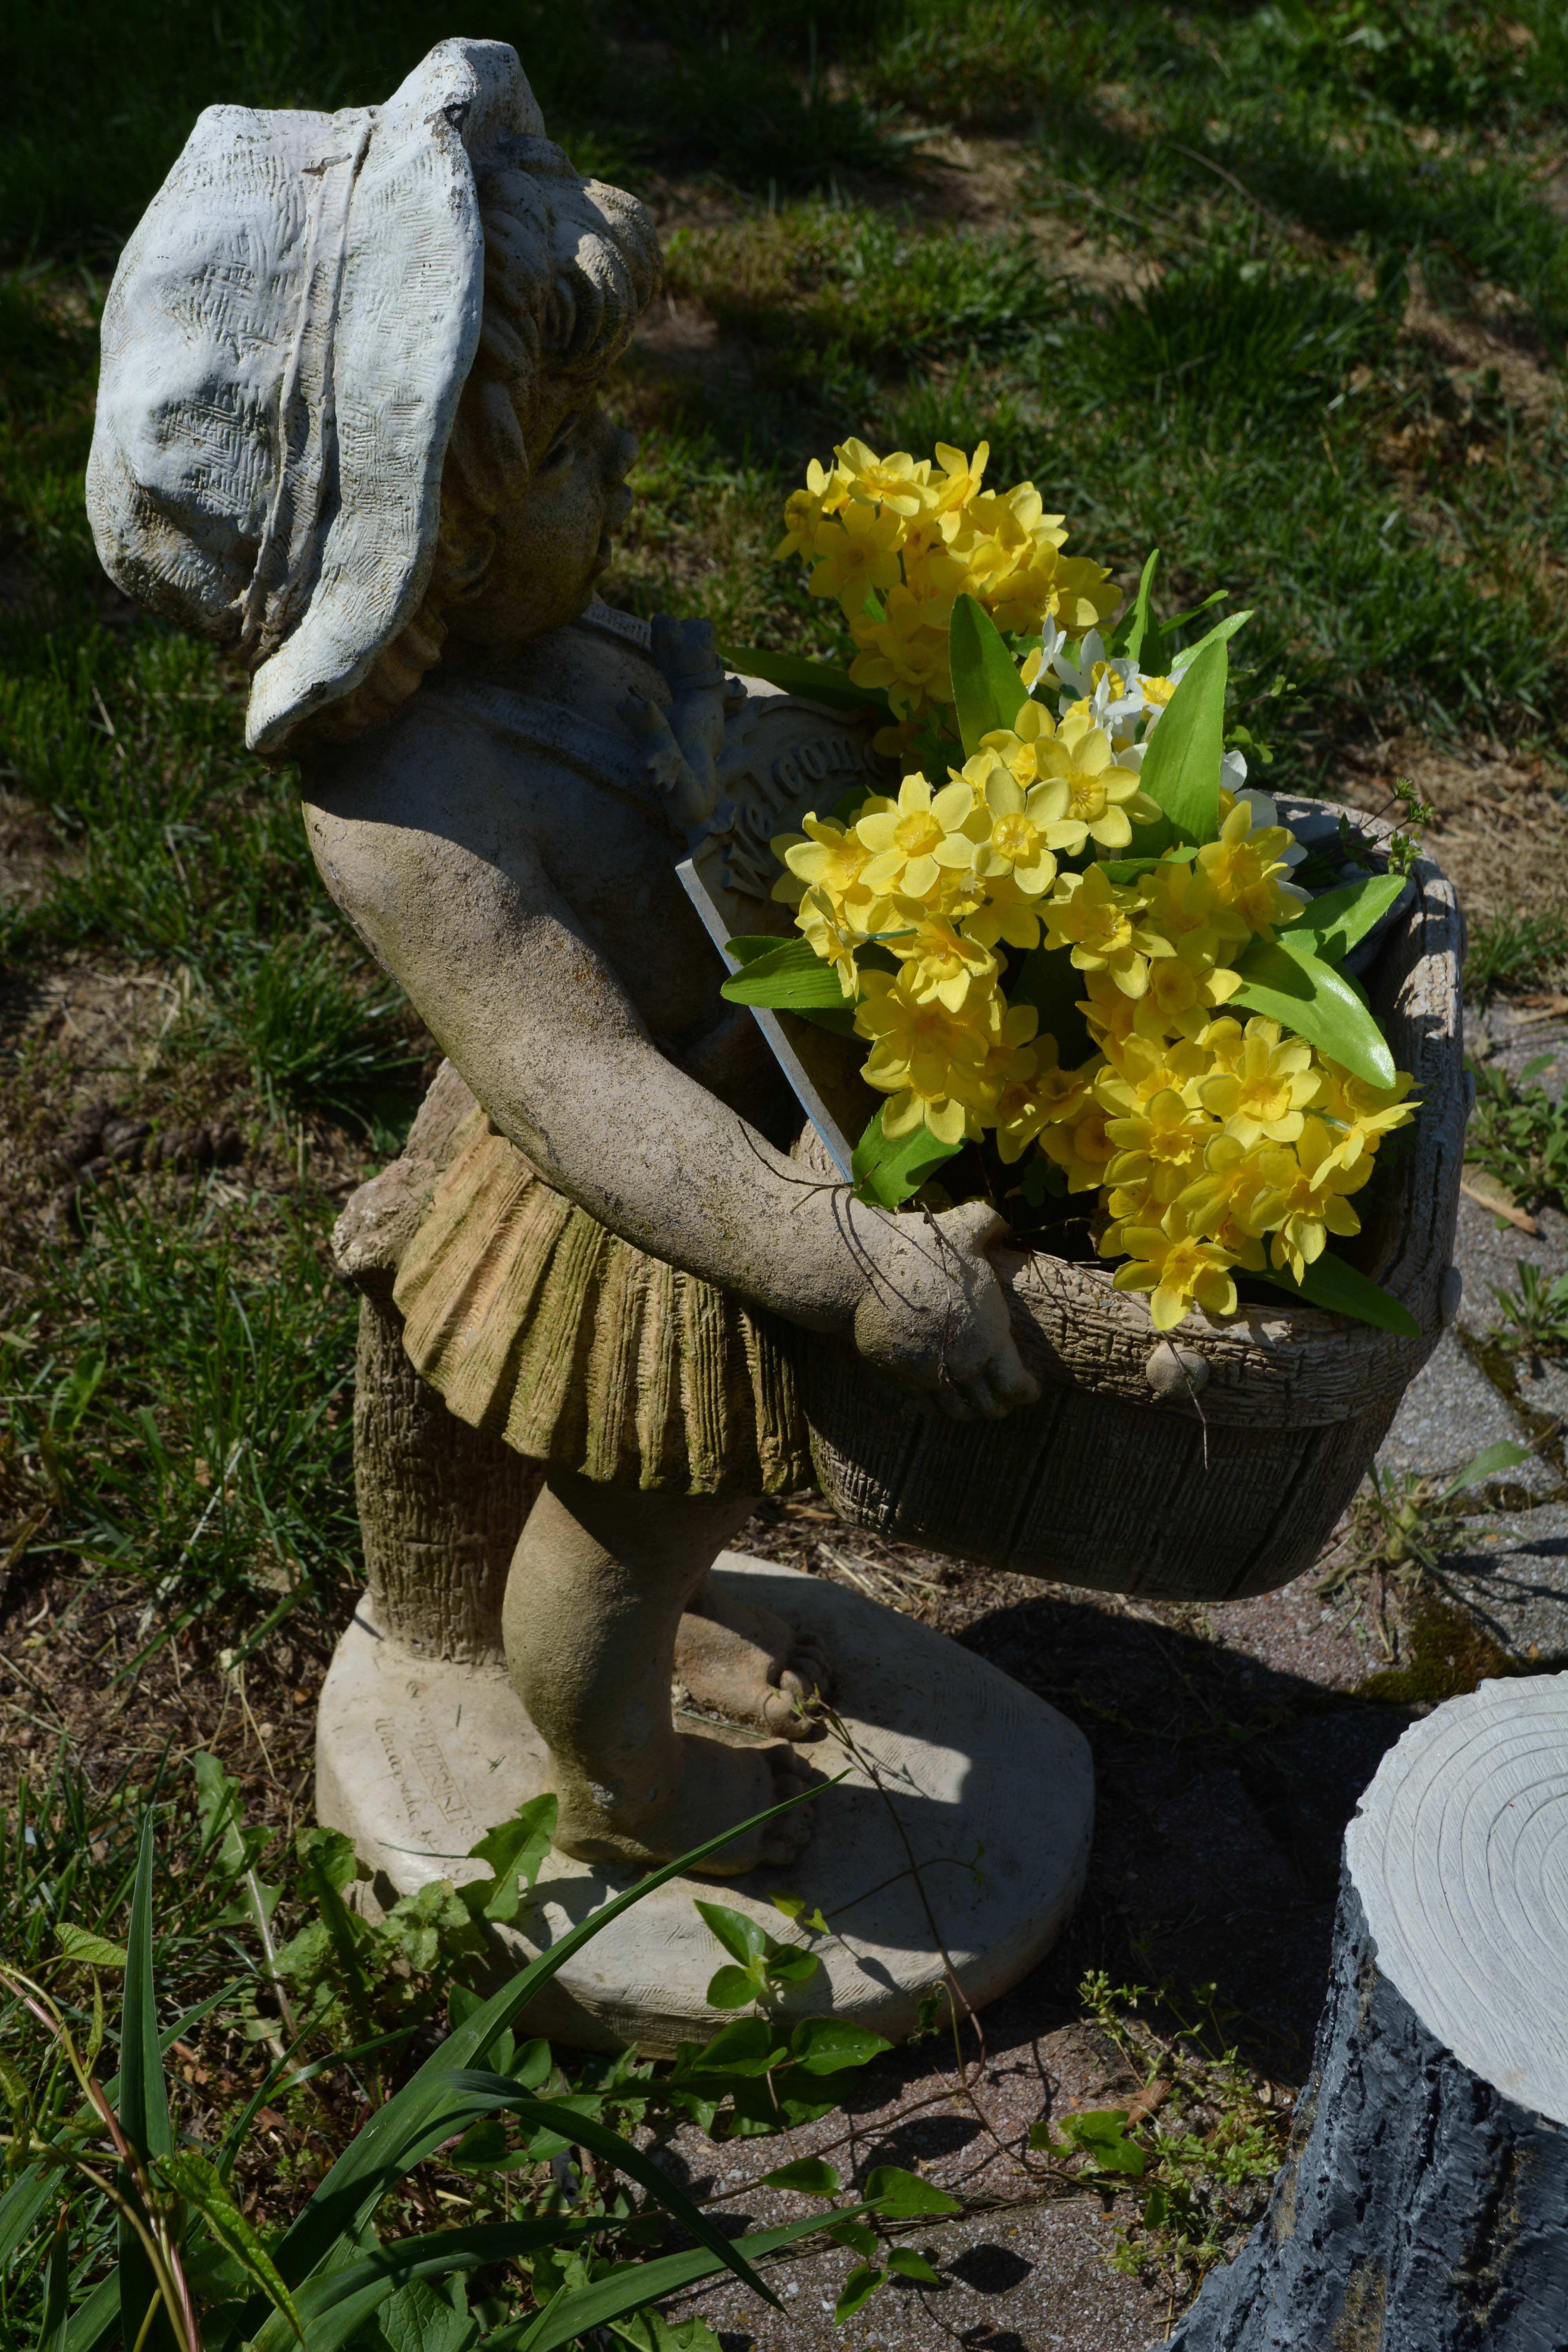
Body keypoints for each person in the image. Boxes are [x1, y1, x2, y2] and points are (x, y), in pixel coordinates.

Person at [89, 38, 1038, 1875]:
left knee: (640, 1518)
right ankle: (617, 1806)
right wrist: (846, 1266)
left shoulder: (545, 645)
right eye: (563, 447)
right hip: (645, 1214)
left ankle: (596, 1709)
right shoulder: (403, 806)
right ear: (417, 551)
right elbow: (569, 1075)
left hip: (720, 1113)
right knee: (623, 1530)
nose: (617, 456)